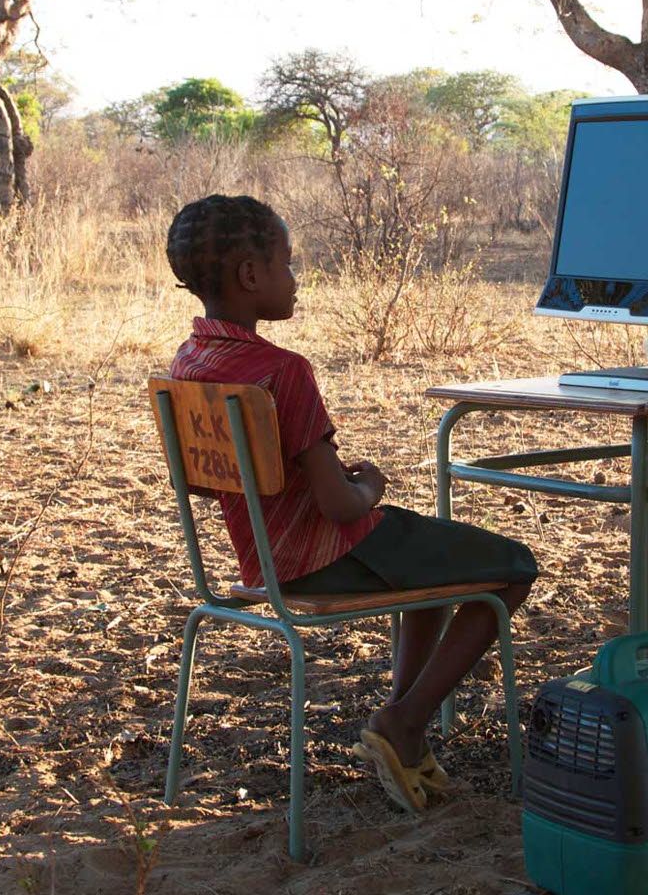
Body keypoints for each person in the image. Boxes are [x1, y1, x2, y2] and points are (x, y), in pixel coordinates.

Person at [165, 194, 536, 813]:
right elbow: (340, 507)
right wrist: (370, 486)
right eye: (287, 263)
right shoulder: (282, 370)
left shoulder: (189, 362)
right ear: (251, 276)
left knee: (433, 566)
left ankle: (400, 726)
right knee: (511, 569)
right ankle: (407, 721)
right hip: (325, 556)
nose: (295, 277)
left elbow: (210, 481)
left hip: (259, 559)